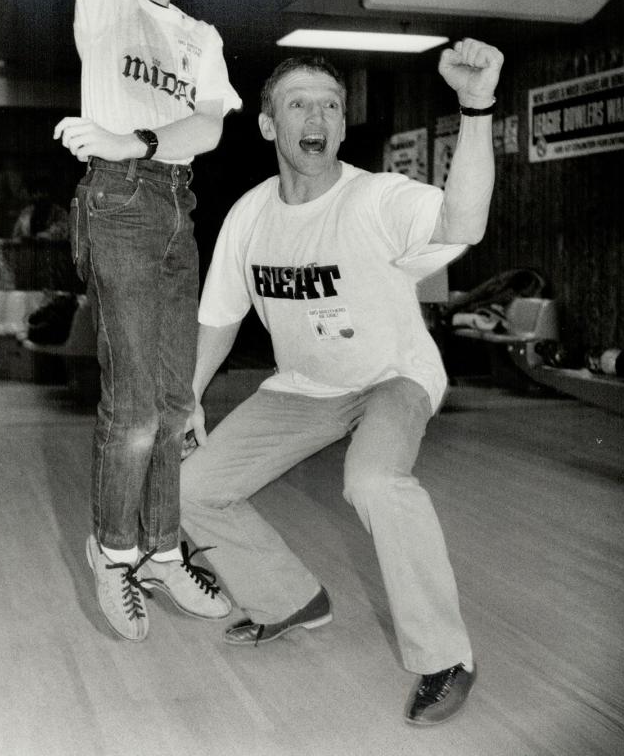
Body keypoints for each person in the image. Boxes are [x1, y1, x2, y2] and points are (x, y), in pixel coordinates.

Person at [181, 38, 503, 726]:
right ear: (269, 125)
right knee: (194, 488)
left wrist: (476, 109)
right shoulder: (249, 215)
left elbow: (464, 220)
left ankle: (447, 656)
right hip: (301, 387)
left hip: (392, 377)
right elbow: (221, 315)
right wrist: (190, 396)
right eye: (299, 104)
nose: (318, 116)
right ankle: (288, 599)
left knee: (374, 482)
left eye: (330, 104)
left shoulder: (377, 198)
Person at [53, 0, 241, 641]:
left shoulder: (201, 35)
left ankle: (163, 550)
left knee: (175, 401)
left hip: (174, 203)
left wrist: (144, 141)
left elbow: (208, 129)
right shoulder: (105, 3)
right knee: (131, 405)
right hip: (120, 207)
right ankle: (112, 552)